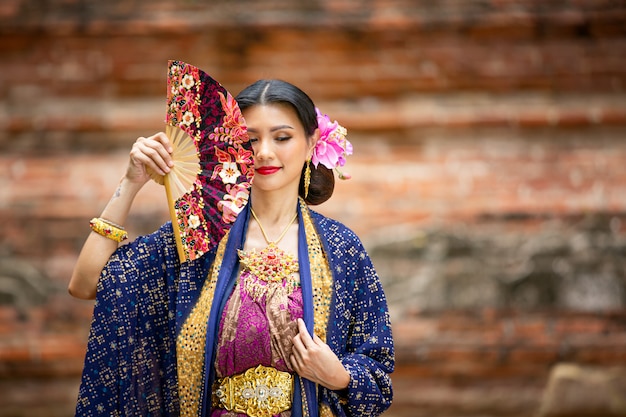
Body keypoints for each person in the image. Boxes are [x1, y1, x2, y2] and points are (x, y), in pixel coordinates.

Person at [69, 77, 394, 417]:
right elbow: (85, 283)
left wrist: (339, 376)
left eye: (282, 137)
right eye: (250, 140)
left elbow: (378, 377)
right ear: (230, 147)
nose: (264, 151)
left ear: (312, 142)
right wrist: (131, 182)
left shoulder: (340, 249)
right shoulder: (198, 239)